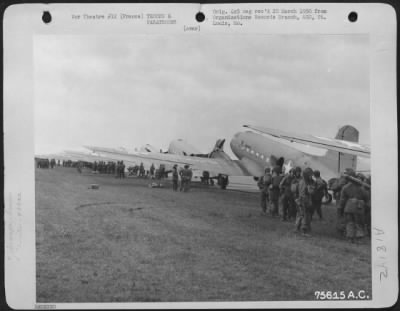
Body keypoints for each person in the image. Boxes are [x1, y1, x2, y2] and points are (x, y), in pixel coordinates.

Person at [340, 169, 369, 243]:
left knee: (350, 222)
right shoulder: (362, 188)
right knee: (359, 223)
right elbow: (366, 198)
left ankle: (350, 238)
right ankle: (359, 239)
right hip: (359, 207)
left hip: (348, 206)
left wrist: (341, 208)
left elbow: (342, 200)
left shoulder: (345, 187)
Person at [294, 167, 315, 236]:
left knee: (300, 215)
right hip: (305, 201)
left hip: (300, 200)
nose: (311, 176)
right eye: (310, 175)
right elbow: (311, 192)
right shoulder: (306, 183)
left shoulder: (300, 181)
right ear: (307, 175)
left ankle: (296, 228)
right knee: (306, 216)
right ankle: (304, 231)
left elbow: (296, 191)